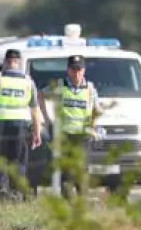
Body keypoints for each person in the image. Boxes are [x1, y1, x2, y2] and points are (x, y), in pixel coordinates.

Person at [0, 49, 43, 197]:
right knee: (18, 160)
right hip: (21, 126)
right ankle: (17, 192)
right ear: (18, 63)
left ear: (6, 62)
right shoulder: (28, 82)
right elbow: (35, 109)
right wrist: (37, 132)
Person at [44, 55, 103, 195]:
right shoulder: (60, 85)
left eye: (79, 70)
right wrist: (47, 119)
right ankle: (67, 205)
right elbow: (40, 95)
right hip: (65, 135)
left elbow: (97, 109)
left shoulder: (90, 89)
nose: (76, 73)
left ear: (84, 70)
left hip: (83, 136)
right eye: (73, 69)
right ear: (68, 70)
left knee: (81, 171)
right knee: (66, 173)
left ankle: (82, 203)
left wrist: (94, 126)